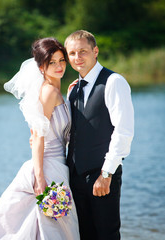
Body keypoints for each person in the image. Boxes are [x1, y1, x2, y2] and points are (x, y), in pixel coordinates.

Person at [0, 38, 80, 239]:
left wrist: (71, 97)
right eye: (52, 62)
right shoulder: (48, 92)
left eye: (61, 60)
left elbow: (55, 131)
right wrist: (40, 178)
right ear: (41, 66)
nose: (59, 66)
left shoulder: (58, 92)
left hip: (58, 166)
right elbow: (39, 138)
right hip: (48, 167)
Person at [65, 30, 134, 240]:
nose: (78, 58)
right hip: (74, 176)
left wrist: (106, 175)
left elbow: (123, 131)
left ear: (95, 51)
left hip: (102, 174)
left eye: (83, 51)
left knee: (107, 235)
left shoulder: (114, 82)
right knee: (84, 235)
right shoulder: (73, 89)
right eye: (72, 53)